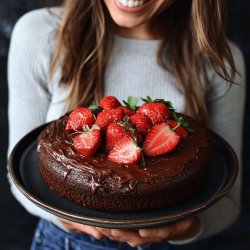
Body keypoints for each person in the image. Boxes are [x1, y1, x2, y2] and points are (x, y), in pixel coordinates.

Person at [7, 0, 245, 249]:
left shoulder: (220, 61)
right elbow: (21, 178)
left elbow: (228, 203)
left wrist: (186, 228)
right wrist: (67, 220)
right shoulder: (38, 34)